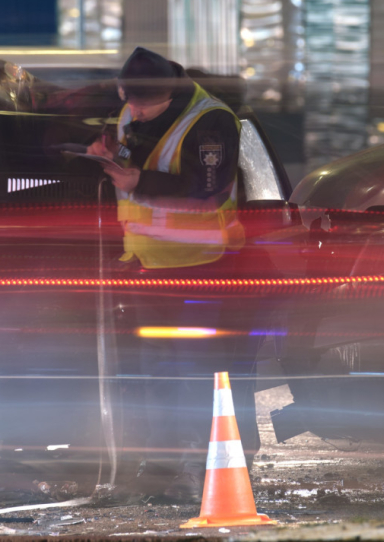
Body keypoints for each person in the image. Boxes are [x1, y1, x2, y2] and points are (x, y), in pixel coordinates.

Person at [88, 47, 259, 503]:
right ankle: (165, 463)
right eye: (132, 102)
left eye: (148, 105)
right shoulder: (131, 109)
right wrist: (107, 152)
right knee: (157, 370)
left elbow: (209, 192)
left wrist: (137, 183)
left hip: (202, 265)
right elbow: (133, 150)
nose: (138, 112)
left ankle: (211, 463)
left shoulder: (210, 121)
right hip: (148, 264)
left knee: (198, 369)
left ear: (170, 92)